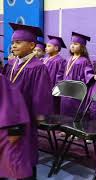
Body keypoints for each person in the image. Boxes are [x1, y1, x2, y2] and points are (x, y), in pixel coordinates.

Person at [2, 23, 53, 179]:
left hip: (26, 116)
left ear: (31, 45)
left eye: (18, 42)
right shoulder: (10, 64)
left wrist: (39, 115)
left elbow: (41, 94)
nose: (14, 46)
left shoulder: (38, 67)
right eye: (12, 43)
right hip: (9, 116)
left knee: (25, 151)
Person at [60, 32, 93, 117]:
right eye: (71, 44)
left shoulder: (84, 61)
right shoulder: (68, 59)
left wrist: (92, 77)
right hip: (65, 90)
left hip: (76, 92)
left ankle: (71, 129)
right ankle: (64, 128)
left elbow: (87, 74)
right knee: (64, 109)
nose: (72, 46)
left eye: (76, 44)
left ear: (82, 47)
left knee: (74, 111)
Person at [43, 35, 67, 113]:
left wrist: (56, 89)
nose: (46, 48)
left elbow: (60, 76)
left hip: (53, 90)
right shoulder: (45, 59)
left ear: (56, 48)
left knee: (53, 109)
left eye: (49, 46)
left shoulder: (60, 60)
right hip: (43, 88)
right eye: (46, 46)